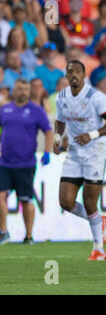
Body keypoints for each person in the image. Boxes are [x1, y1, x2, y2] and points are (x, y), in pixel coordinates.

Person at [53, 60, 106, 260]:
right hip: (74, 153)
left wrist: (91, 135)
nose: (73, 75)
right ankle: (100, 221)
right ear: (66, 76)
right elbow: (60, 121)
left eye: (77, 72)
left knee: (89, 201)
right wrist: (57, 138)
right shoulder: (62, 97)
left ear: (84, 75)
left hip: (94, 154)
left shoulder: (95, 97)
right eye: (69, 72)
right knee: (65, 201)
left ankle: (98, 249)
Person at [0, 79, 53, 245]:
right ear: (13, 91)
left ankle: (29, 235)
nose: (22, 92)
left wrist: (47, 152)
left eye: (25, 89)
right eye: (19, 89)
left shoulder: (36, 111)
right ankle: (3, 231)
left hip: (26, 163)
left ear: (29, 91)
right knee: (0, 196)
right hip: (5, 162)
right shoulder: (5, 109)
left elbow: (48, 131)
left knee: (26, 199)